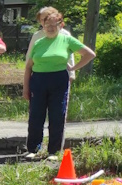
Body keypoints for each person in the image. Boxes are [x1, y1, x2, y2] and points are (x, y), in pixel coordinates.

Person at [23, 9, 95, 160]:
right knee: (36, 116)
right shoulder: (38, 42)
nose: (50, 28)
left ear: (60, 25)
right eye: (47, 25)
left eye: (54, 25)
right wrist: (26, 88)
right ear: (43, 26)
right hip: (38, 81)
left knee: (57, 116)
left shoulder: (66, 39)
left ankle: (54, 152)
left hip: (59, 81)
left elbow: (89, 54)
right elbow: (28, 67)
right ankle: (33, 149)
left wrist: (73, 68)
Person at [26, 6, 76, 81]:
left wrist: (71, 74)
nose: (44, 22)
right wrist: (28, 75)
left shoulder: (65, 35)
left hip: (61, 75)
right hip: (40, 74)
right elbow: (29, 56)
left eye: (46, 18)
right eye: (41, 20)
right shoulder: (37, 35)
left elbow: (70, 56)